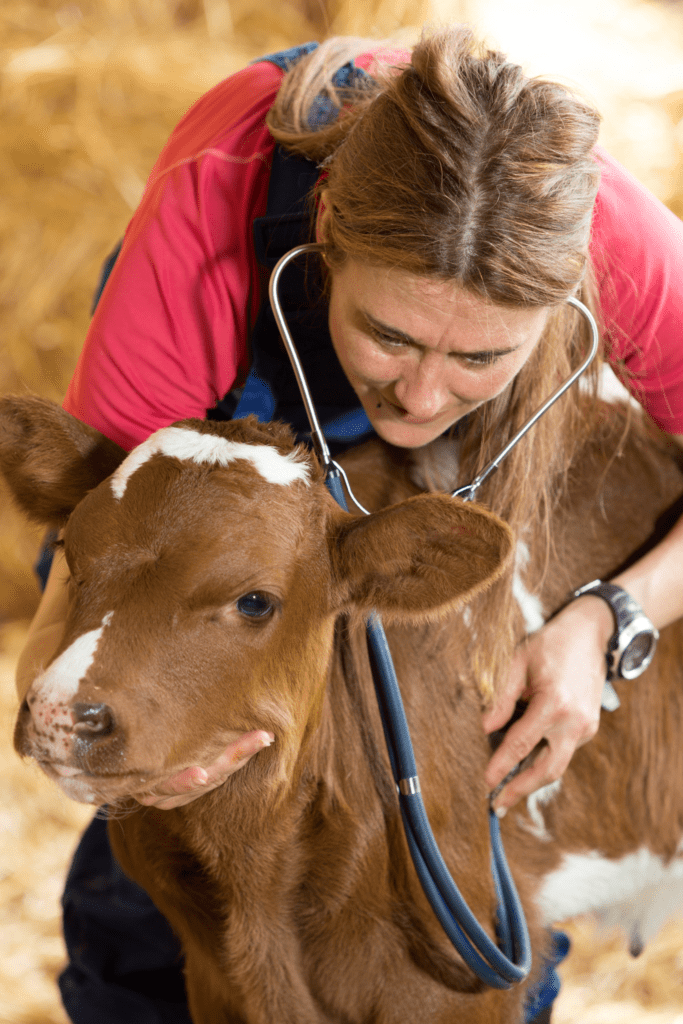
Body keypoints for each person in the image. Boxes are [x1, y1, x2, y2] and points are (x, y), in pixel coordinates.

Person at [15, 27, 683, 1024]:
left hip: (453, 498)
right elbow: (108, 562)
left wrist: (605, 620)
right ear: (324, 239)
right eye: (390, 334)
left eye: (479, 356)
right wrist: (96, 727)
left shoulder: (622, 243)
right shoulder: (213, 210)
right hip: (240, 393)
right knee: (150, 883)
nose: (419, 392)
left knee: (456, 872)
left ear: (553, 317)